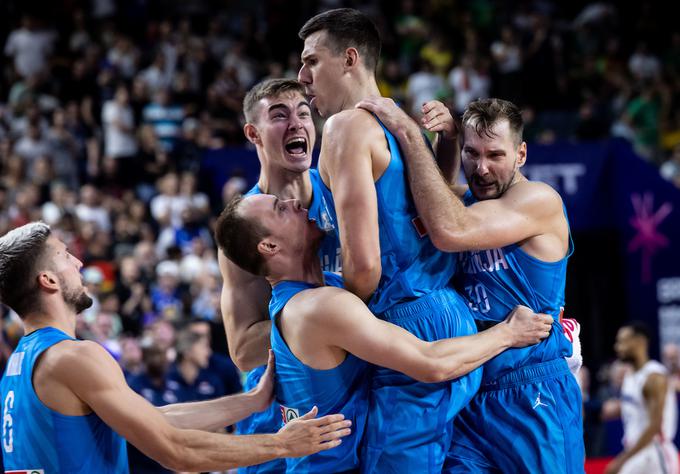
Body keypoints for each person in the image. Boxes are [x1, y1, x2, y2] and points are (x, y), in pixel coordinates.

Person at [214, 192, 554, 473]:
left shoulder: (320, 293)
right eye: (279, 209)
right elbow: (430, 363)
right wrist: (509, 334)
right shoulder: (317, 308)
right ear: (269, 247)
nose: (291, 201)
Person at [0, 222, 351, 473]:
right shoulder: (73, 356)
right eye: (64, 256)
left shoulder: (19, 365)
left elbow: (153, 421)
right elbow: (174, 450)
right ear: (47, 280)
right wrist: (283, 444)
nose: (78, 263)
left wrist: (250, 402)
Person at [357, 96, 584, 472]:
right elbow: (430, 201)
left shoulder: (538, 200)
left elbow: (448, 230)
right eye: (471, 153)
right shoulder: (466, 202)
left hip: (532, 390)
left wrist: (411, 134)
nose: (481, 168)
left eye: (495, 155)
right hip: (471, 389)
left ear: (521, 154)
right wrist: (446, 141)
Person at [297, 9, 479, 472]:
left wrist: (328, 321)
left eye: (312, 62)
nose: (302, 77)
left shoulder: (344, 127)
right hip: (449, 317)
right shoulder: (404, 128)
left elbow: (364, 268)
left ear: (350, 59)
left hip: (404, 327)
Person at [218, 77, 340, 473]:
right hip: (278, 407)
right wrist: (317, 311)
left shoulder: (345, 193)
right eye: (279, 115)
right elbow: (242, 350)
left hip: (342, 392)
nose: (297, 123)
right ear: (253, 133)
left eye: (304, 113)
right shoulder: (246, 225)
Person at [603, 322, 678, 474]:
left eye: (622, 341)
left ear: (640, 342)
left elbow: (655, 426)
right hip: (637, 451)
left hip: (655, 453)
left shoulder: (654, 377)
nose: (618, 347)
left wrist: (623, 459)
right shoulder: (630, 375)